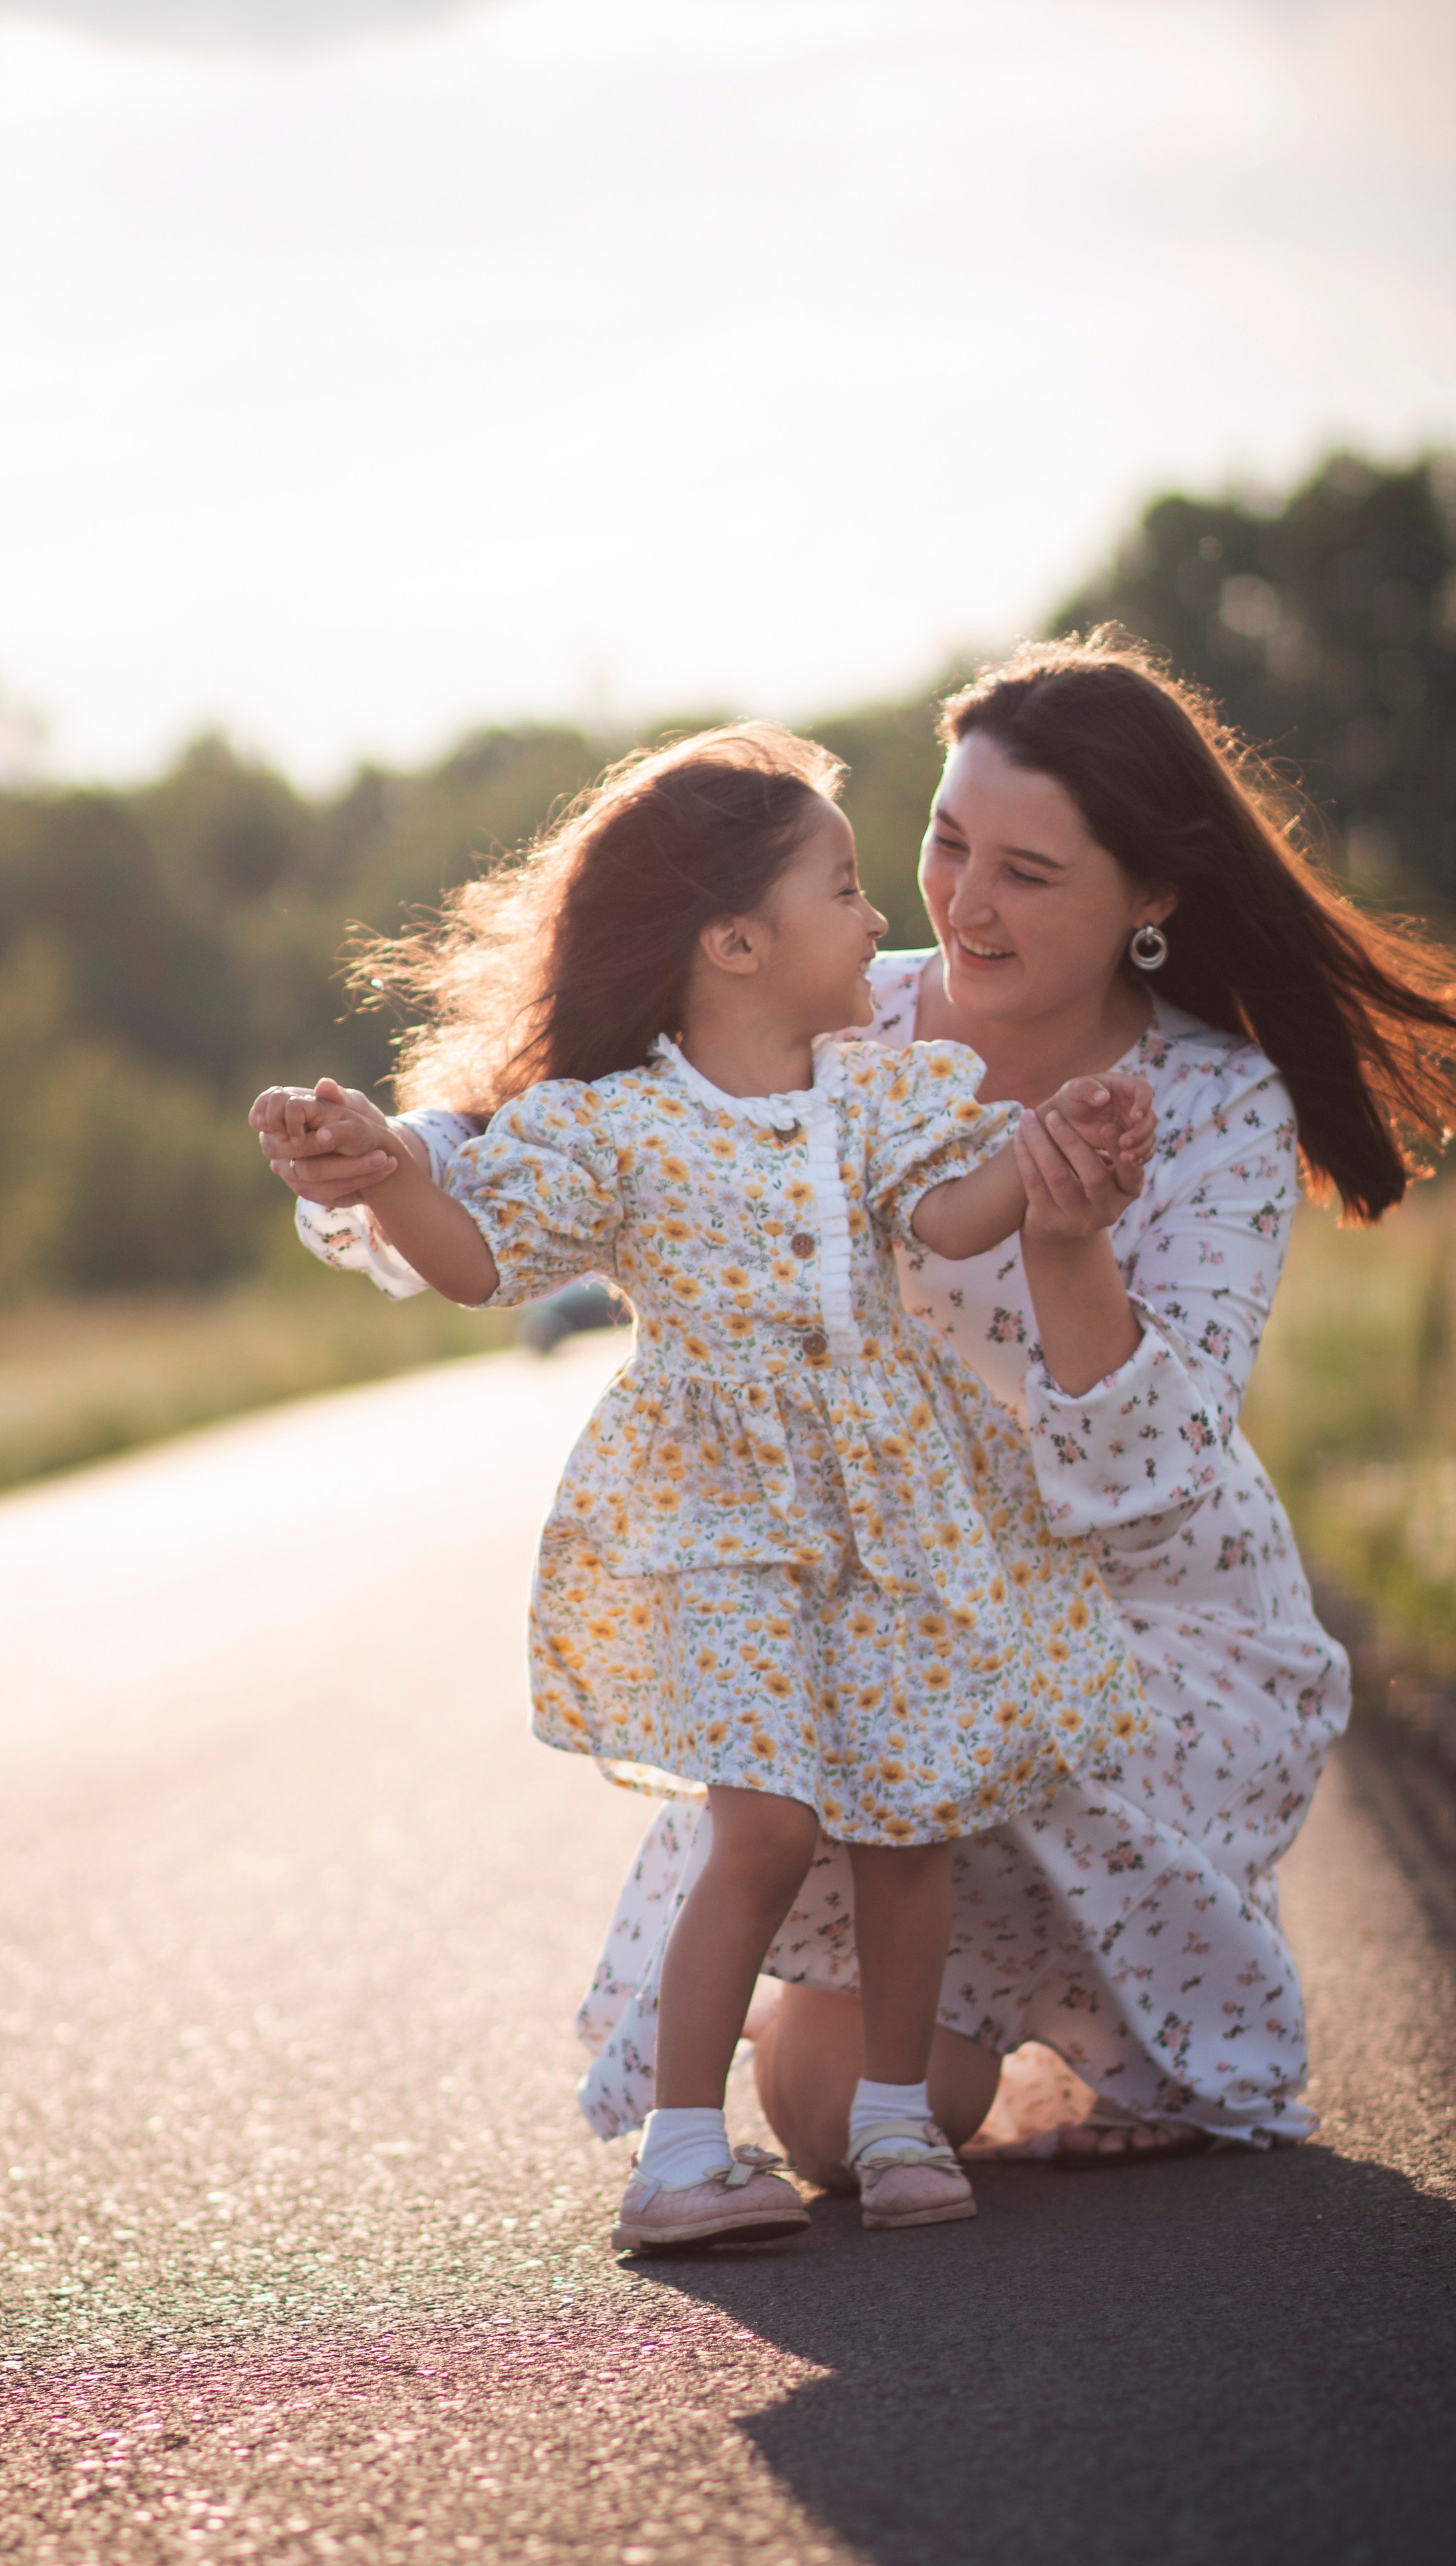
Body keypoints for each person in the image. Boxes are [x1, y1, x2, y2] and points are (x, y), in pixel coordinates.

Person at [267, 637, 1456, 2179]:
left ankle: (1107, 1982)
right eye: (945, 842)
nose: (959, 902)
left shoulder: (1218, 1102)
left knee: (1149, 2064)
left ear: (1148, 899)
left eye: (1026, 871)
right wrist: (392, 1151)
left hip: (1130, 1621)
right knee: (829, 2121)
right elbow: (576, 1111)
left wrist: (1066, 1233)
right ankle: (894, 2051)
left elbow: (1156, 1467)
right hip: (882, 1587)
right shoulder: (841, 1008)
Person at [254, 720, 1157, 2249]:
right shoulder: (613, 1125)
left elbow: (950, 1217)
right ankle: (678, 2153)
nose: (883, 923)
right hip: (716, 1516)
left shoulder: (872, 1094)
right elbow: (478, 1265)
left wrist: (1056, 1146)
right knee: (762, 1828)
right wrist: (394, 1172)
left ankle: (888, 2127)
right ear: (737, 940)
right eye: (846, 889)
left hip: (893, 1506)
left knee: (909, 1816)